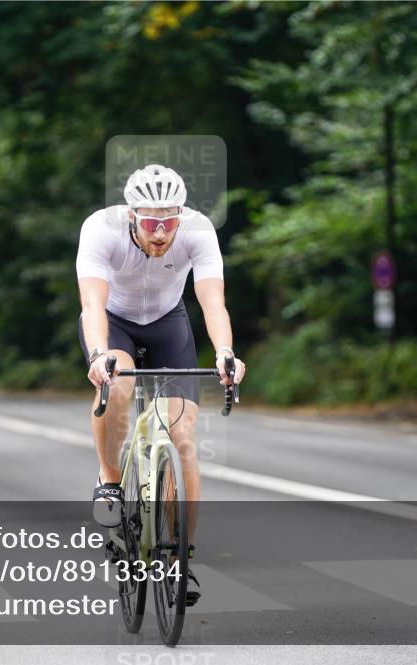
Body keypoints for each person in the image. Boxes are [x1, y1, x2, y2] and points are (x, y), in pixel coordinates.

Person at [76, 164, 246, 606]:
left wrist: (225, 351)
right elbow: (92, 303)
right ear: (131, 216)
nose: (161, 233)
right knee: (118, 386)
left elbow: (212, 300)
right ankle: (110, 480)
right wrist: (98, 356)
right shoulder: (100, 229)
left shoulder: (198, 230)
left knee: (182, 438)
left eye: (169, 222)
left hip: (168, 324)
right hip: (113, 324)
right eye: (151, 223)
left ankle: (180, 559)